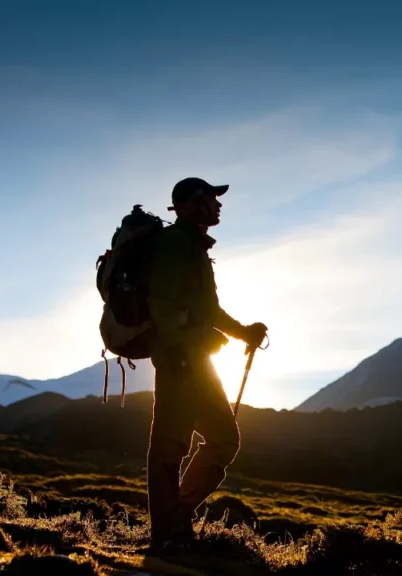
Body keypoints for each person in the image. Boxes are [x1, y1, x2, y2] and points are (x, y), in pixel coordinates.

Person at [144, 177, 268, 554]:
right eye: (209, 198)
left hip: (196, 358)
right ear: (186, 205)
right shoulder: (176, 244)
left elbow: (208, 310)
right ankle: (167, 533)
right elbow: (160, 302)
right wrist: (176, 350)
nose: (217, 205)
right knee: (171, 444)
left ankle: (176, 519)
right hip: (180, 359)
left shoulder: (194, 247)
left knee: (222, 439)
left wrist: (243, 331)